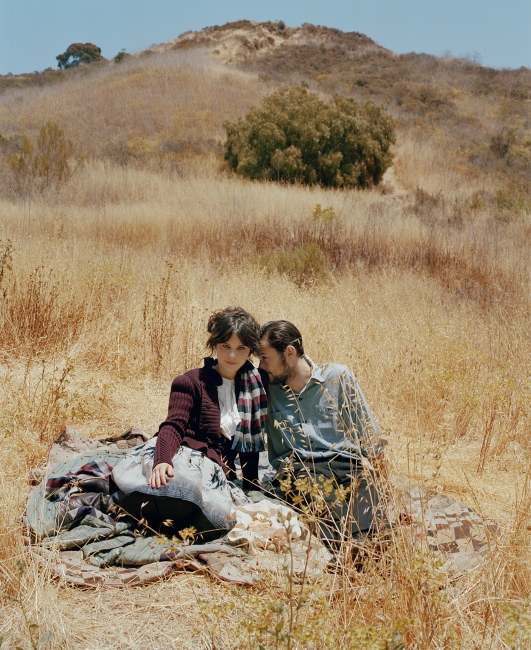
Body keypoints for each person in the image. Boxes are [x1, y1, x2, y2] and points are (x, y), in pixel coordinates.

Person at [111, 306, 268, 541]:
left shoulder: (253, 385)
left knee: (215, 520)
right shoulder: (190, 382)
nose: (232, 356)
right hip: (183, 453)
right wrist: (162, 460)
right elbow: (173, 426)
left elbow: (250, 442)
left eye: (241, 348)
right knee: (179, 487)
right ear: (215, 344)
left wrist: (251, 483)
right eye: (225, 346)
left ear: (250, 350)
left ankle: (171, 518)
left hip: (214, 468)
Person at [257, 320, 386, 544]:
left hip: (348, 464)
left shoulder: (337, 376)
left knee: (370, 512)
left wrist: (383, 485)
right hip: (302, 468)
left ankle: (365, 546)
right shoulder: (264, 386)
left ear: (289, 352)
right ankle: (347, 548)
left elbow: (368, 434)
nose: (260, 365)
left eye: (265, 358)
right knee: (324, 507)